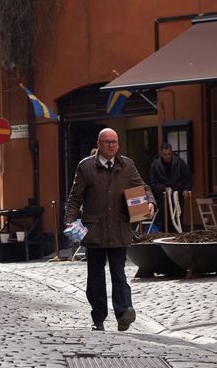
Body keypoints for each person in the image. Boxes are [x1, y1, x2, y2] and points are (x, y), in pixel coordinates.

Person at [65, 128, 156, 332]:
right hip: (94, 231)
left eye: (114, 142)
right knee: (95, 277)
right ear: (99, 144)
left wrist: (150, 202)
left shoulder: (127, 165)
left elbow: (143, 188)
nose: (111, 145)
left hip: (119, 228)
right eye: (106, 142)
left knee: (119, 272)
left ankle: (123, 314)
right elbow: (75, 199)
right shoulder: (85, 167)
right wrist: (69, 220)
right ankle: (98, 318)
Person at [149, 143, 193, 231]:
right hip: (164, 197)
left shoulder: (179, 162)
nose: (168, 156)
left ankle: (178, 234)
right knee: (165, 220)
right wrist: (164, 188)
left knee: (178, 218)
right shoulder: (155, 165)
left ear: (171, 152)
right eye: (165, 154)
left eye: (169, 154)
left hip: (178, 195)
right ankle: (166, 235)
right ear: (161, 153)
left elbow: (188, 177)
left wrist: (186, 189)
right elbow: (154, 182)